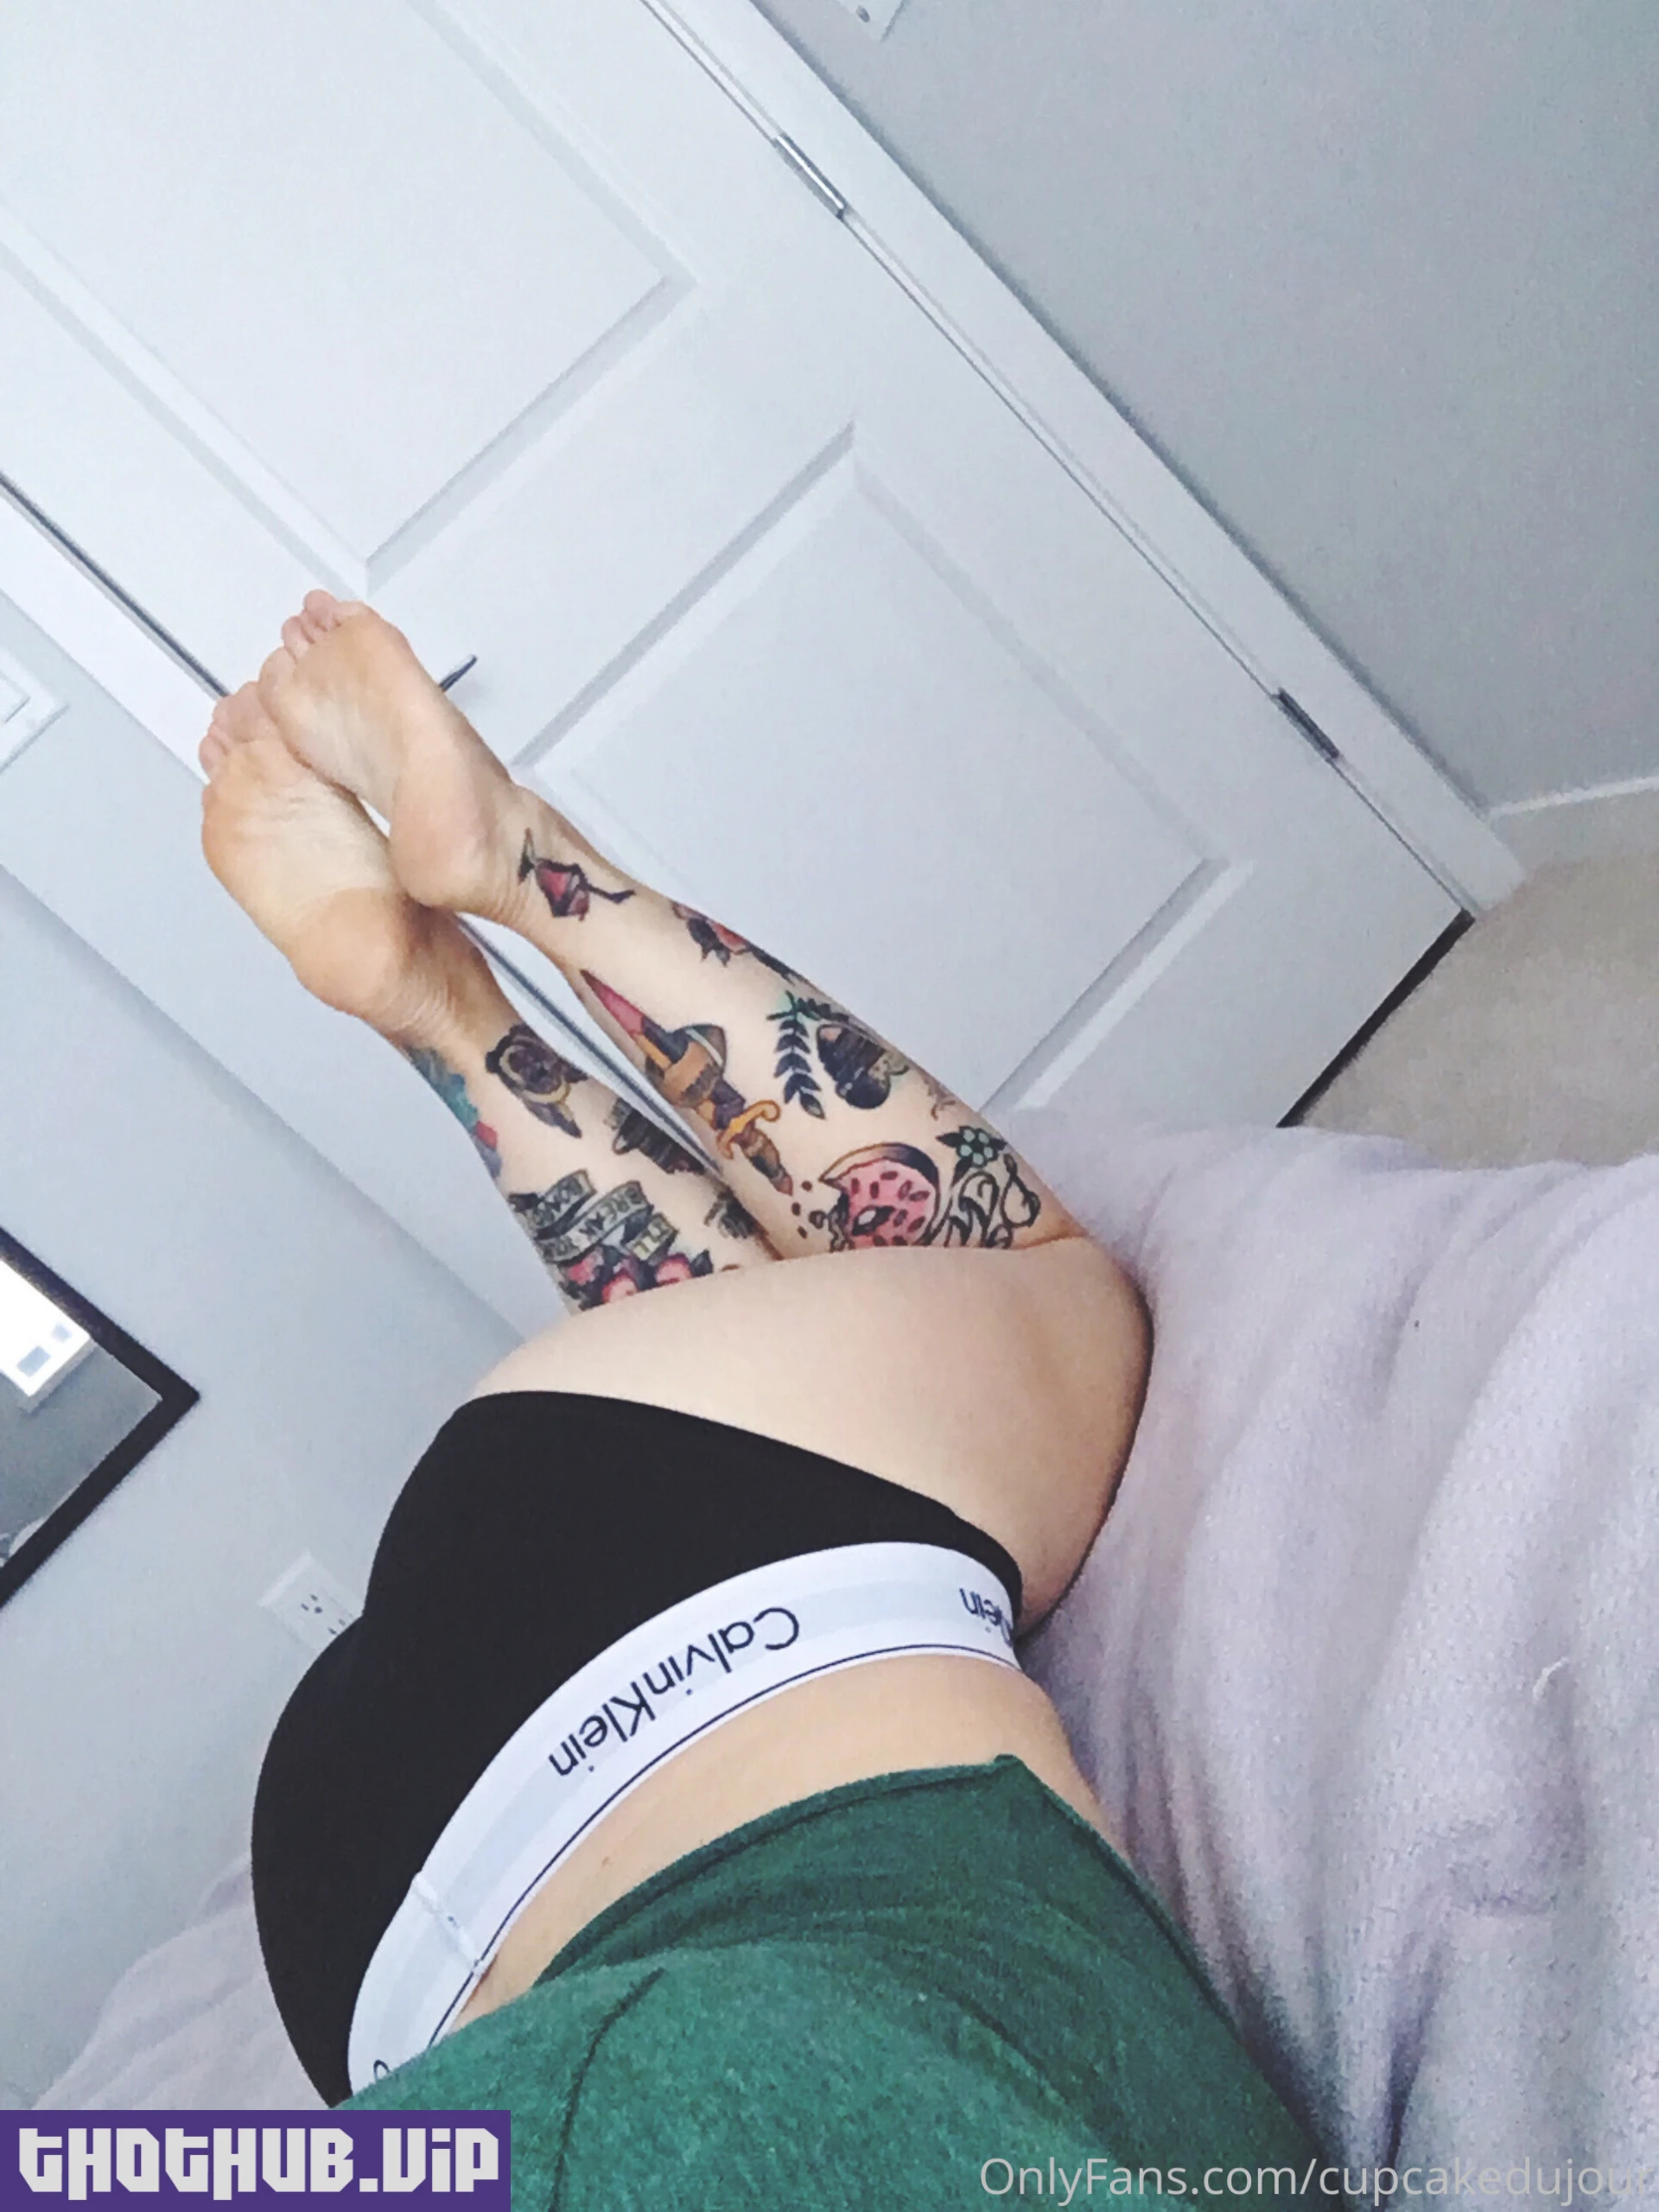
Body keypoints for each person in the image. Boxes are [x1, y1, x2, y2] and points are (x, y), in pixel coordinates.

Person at [200, 594, 1320, 2202]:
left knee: (1045, 1311)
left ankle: (486, 933)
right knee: (978, 1301)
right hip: (367, 1940)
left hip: (407, 1963)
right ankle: (482, 932)